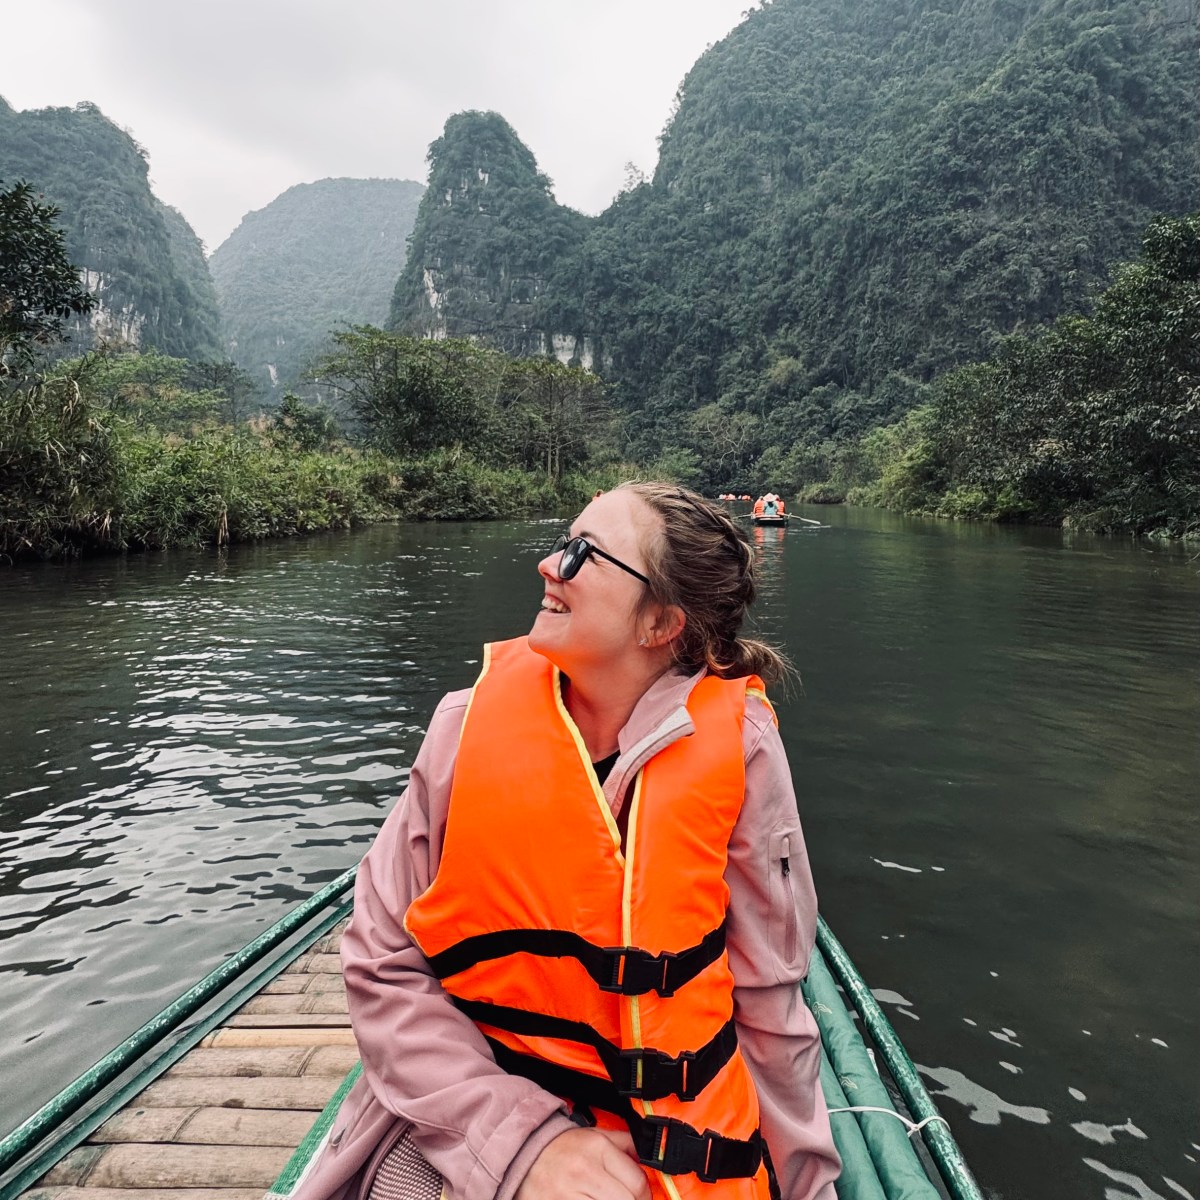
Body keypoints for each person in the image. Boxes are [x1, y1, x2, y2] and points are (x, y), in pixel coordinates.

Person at [294, 483, 840, 1200]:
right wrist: (526, 1148)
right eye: (563, 541)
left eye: (586, 554)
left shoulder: (740, 748)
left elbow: (769, 1003)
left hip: (661, 1150)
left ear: (659, 623)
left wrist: (808, 1185)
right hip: (468, 1127)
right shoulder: (465, 728)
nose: (551, 565)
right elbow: (382, 964)